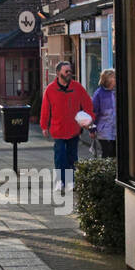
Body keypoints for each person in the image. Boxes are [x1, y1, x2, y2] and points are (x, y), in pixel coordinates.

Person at [40, 59, 93, 193]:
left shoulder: (77, 87)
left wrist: (91, 123)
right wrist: (44, 126)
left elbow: (87, 104)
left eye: (70, 71)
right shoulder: (50, 90)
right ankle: (60, 181)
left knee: (72, 157)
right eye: (66, 71)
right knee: (60, 157)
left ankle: (70, 182)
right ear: (58, 73)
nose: (69, 73)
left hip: (73, 129)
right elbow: (46, 109)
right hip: (57, 129)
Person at [91, 69, 117, 158]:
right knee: (107, 152)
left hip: (115, 129)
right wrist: (92, 129)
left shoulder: (116, 92)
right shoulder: (99, 94)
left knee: (114, 152)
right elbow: (93, 112)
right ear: (108, 79)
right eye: (114, 77)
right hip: (104, 130)